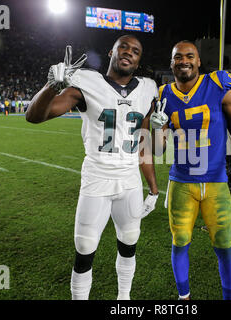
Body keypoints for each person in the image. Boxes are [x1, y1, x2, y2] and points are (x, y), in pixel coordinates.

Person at [26, 35, 160, 300]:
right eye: (124, 47)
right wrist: (51, 86)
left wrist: (154, 190)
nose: (128, 53)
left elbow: (145, 145)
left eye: (135, 51)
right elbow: (34, 116)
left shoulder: (148, 88)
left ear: (139, 60)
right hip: (96, 179)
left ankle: (124, 298)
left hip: (130, 181)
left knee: (130, 241)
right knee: (85, 247)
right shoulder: (87, 82)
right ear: (112, 51)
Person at [150, 41, 231, 300]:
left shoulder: (217, 85)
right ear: (171, 63)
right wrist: (157, 130)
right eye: (177, 57)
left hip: (215, 183)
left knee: (225, 247)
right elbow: (158, 151)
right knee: (179, 243)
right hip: (181, 182)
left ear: (199, 61)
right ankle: (184, 298)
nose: (184, 61)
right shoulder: (163, 95)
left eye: (190, 56)